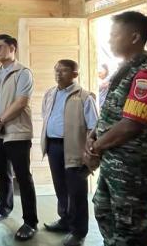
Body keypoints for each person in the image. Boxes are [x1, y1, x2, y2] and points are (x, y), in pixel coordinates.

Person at [83, 11, 147, 246]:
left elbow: (132, 124)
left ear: (134, 37)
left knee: (130, 227)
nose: (109, 40)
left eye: (113, 35)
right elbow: (111, 115)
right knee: (104, 212)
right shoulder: (124, 70)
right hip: (114, 161)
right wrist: (92, 137)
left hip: (132, 166)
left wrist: (96, 148)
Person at [0, 34, 38, 241]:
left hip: (17, 133)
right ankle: (4, 208)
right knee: (3, 174)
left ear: (12, 48)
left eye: (0, 47)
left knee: (23, 178)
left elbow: (21, 101)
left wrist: (1, 120)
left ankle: (30, 222)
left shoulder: (23, 72)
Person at [41, 60, 98, 246]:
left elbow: (94, 127)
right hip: (53, 147)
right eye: (56, 70)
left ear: (75, 74)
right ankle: (64, 220)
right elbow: (45, 116)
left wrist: (89, 152)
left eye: (63, 71)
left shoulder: (84, 97)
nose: (58, 74)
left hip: (74, 148)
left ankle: (78, 232)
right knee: (61, 188)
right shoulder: (50, 93)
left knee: (77, 192)